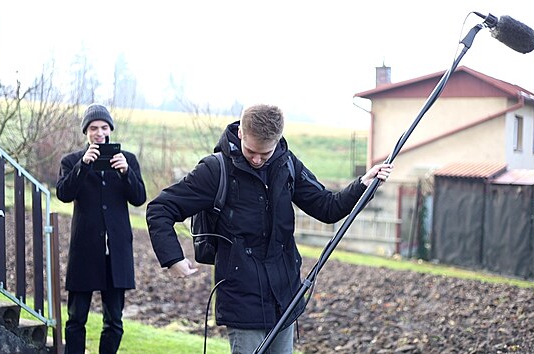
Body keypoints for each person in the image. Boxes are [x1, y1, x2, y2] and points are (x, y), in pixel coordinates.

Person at [146, 104, 393, 353]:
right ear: (241, 132)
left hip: (285, 297)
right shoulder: (214, 170)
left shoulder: (287, 165)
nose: (257, 159)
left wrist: (363, 184)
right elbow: (160, 208)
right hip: (241, 298)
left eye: (265, 154)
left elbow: (327, 207)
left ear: (277, 140)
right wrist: (172, 258)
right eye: (251, 151)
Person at [56, 103, 146, 354]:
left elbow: (139, 198)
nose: (99, 132)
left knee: (114, 322)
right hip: (85, 251)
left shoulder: (127, 160)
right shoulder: (72, 160)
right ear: (86, 131)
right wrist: (83, 165)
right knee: (76, 319)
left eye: (104, 127)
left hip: (116, 253)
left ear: (110, 130)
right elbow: (64, 193)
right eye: (93, 128)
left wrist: (126, 173)